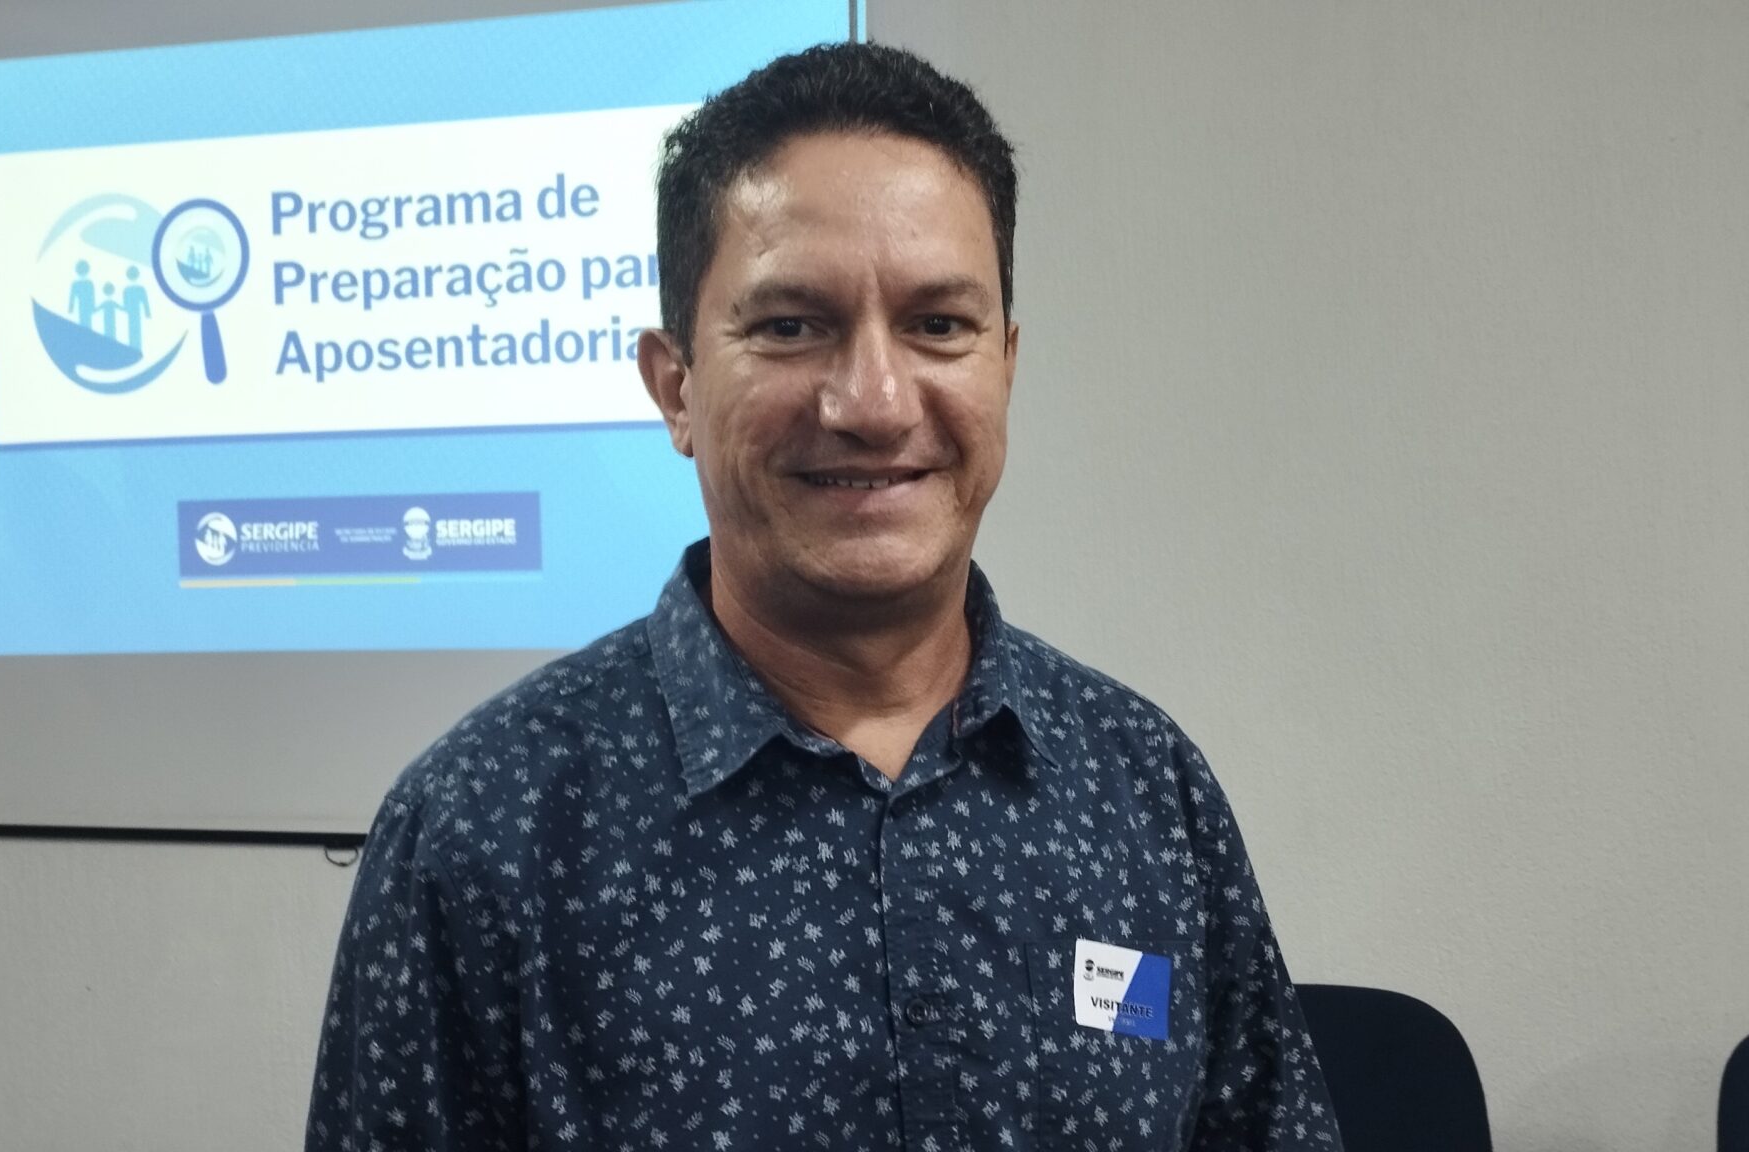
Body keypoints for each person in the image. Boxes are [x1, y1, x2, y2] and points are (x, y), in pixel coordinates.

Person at [307, 42, 1342, 1152]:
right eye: (791, 325)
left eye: (938, 325)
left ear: (1005, 364)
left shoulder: (1144, 790)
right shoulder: (482, 832)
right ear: (675, 387)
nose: (874, 403)